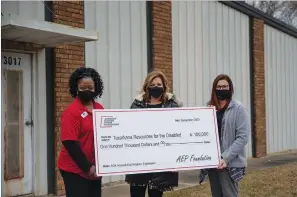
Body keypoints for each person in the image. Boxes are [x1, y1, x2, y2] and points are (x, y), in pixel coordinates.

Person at [125, 69, 183, 197]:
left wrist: (176, 160)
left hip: (162, 162)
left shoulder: (172, 105)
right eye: (152, 85)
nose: (155, 87)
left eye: (158, 84)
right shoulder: (137, 105)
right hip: (139, 160)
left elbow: (180, 133)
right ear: (147, 86)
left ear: (164, 86)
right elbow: (128, 130)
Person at [199, 74, 250, 197]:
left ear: (230, 88)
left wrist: (225, 158)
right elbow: (202, 134)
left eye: (225, 86)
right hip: (212, 162)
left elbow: (242, 137)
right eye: (219, 87)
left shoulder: (239, 109)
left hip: (228, 163)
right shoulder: (209, 108)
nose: (222, 89)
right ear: (214, 89)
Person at [58, 67, 104, 197]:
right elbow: (70, 143)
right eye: (83, 87)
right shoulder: (71, 112)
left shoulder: (99, 109)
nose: (87, 90)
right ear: (76, 88)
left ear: (96, 87)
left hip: (95, 168)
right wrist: (88, 167)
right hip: (75, 169)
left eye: (90, 87)